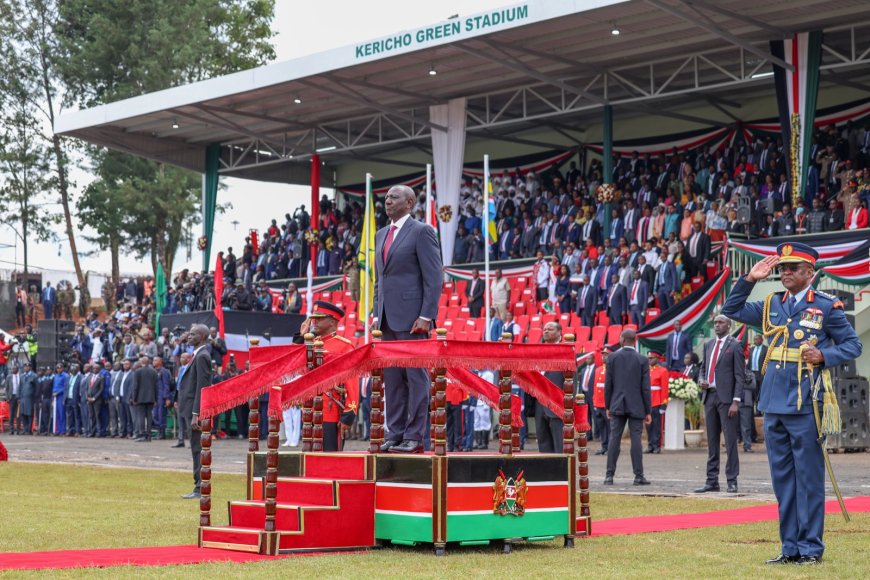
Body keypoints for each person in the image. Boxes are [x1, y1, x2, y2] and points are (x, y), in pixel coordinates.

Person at [721, 242, 861, 565]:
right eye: (782, 268)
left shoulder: (826, 307)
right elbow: (731, 310)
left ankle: (811, 549)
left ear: (809, 272)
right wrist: (750, 280)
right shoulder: (771, 303)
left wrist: (825, 355)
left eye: (792, 268)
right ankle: (790, 548)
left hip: (804, 404)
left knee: (808, 480)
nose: (785, 272)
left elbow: (853, 346)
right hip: (772, 403)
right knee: (783, 480)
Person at [373, 185, 442, 454]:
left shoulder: (422, 231)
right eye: (387, 197)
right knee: (392, 379)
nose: (388, 201)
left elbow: (434, 277)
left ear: (410, 202)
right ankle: (396, 432)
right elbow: (381, 280)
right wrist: (377, 315)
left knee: (416, 379)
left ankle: (414, 436)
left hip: (414, 320)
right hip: (387, 320)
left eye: (394, 197)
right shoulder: (381, 235)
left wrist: (426, 315)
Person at [292, 300, 356, 451]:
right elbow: (293, 365)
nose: (315, 321)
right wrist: (301, 338)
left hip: (331, 411)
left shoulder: (345, 346)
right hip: (310, 410)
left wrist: (349, 412)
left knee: (329, 457)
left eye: (320, 318)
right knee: (309, 456)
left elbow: (352, 381)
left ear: (333, 322)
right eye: (314, 318)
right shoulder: (310, 344)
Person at [695, 315, 744, 494]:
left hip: (727, 400)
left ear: (729, 326)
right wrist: (701, 380)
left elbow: (740, 376)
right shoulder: (708, 345)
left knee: (730, 442)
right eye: (715, 323)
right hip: (710, 397)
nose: (717, 325)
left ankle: (732, 480)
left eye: (721, 322)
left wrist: (736, 401)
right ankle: (711, 480)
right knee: (712, 441)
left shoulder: (735, 345)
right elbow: (703, 368)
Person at [603, 329, 651, 486]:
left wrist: (608, 405)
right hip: (637, 405)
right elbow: (645, 388)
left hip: (616, 403)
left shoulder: (612, 357)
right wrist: (648, 410)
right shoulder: (642, 359)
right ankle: (639, 476)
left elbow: (608, 385)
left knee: (614, 438)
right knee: (636, 439)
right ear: (635, 341)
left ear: (622, 340)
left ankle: (609, 475)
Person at [178, 324, 214, 499]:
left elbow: (202, 386)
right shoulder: (197, 354)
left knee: (198, 449)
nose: (189, 337)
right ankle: (198, 485)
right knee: (194, 449)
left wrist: (196, 413)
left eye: (193, 334)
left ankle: (200, 487)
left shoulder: (202, 356)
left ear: (202, 336)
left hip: (195, 410)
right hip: (189, 408)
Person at [535, 322, 566, 453]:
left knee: (560, 443)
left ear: (559, 332)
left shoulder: (565, 351)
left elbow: (571, 380)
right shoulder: (539, 352)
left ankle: (561, 472)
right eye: (545, 329)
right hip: (539, 403)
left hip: (557, 403)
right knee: (543, 441)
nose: (546, 331)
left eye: (550, 329)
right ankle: (547, 472)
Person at [645, 352, 669, 454]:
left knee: (657, 426)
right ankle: (650, 445)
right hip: (647, 402)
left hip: (657, 401)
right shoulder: (646, 370)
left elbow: (664, 388)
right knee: (648, 425)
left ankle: (657, 446)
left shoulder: (663, 371)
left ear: (657, 359)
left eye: (652, 358)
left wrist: (664, 404)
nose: (649, 360)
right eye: (648, 358)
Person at [591, 346, 612, 455]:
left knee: (610, 427)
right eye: (603, 354)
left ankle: (611, 447)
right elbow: (595, 387)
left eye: (606, 354)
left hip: (607, 404)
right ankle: (604, 446)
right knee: (602, 426)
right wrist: (594, 401)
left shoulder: (613, 369)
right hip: (598, 403)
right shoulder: (598, 369)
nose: (604, 356)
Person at [130, 357, 158, 442]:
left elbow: (135, 386)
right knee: (149, 416)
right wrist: (155, 398)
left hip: (140, 398)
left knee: (141, 417)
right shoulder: (154, 371)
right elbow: (156, 386)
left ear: (141, 362)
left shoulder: (137, 372)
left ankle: (142, 435)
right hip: (151, 397)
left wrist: (134, 398)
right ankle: (148, 435)